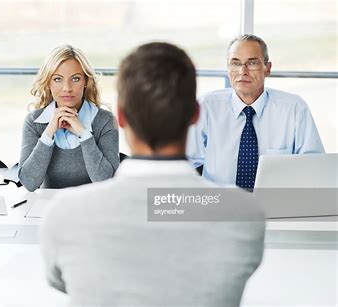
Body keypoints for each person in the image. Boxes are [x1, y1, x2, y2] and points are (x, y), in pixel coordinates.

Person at [40, 42, 265, 306]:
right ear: (195, 114)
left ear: (121, 117)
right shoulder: (242, 212)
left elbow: (62, 281)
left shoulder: (66, 214)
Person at [187, 34, 324, 189]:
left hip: (278, 204)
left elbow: (314, 167)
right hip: (218, 204)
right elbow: (187, 163)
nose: (242, 71)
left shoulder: (294, 109)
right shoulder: (206, 107)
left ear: (268, 68)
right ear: (227, 68)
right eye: (235, 63)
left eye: (252, 63)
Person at [18, 45, 119, 191]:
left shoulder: (105, 121)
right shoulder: (34, 122)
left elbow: (106, 183)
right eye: (58, 79)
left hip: (93, 206)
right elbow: (29, 183)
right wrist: (49, 131)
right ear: (48, 83)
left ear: (85, 81)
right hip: (48, 208)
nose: (67, 88)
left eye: (75, 79)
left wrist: (84, 133)